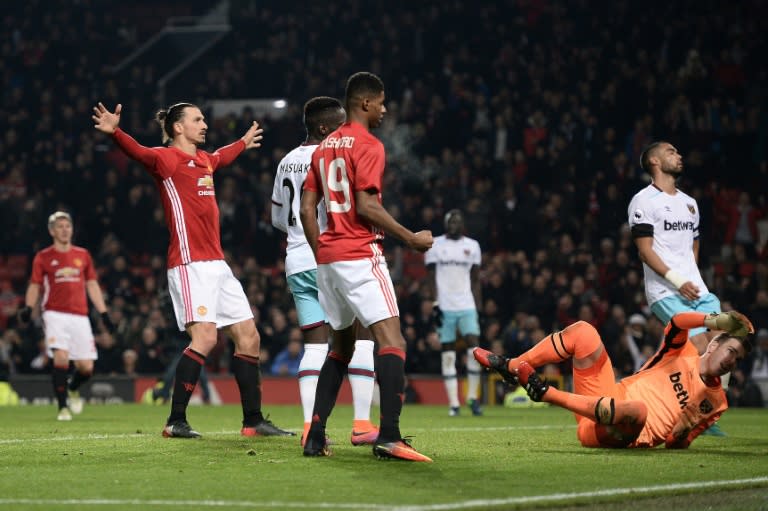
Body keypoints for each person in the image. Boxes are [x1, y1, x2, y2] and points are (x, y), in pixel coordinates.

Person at [92, 101, 292, 438]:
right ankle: (175, 421)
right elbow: (139, 153)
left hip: (217, 264)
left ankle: (253, 421)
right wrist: (115, 133)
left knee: (249, 336)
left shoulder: (204, 161)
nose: (204, 124)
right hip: (189, 264)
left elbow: (222, 156)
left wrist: (243, 142)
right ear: (178, 127)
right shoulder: (166, 159)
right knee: (205, 337)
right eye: (197, 119)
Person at [299, 71, 433, 462]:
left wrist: (323, 249)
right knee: (393, 341)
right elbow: (367, 206)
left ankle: (315, 437)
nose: (385, 109)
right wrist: (411, 239)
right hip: (359, 253)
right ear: (365, 103)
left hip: (327, 260)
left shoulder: (323, 148)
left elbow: (308, 208)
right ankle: (389, 436)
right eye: (382, 102)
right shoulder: (369, 144)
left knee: (339, 349)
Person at [473, 311, 754, 448]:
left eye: (738, 360)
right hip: (601, 398)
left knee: (638, 410)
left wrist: (682, 433)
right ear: (715, 344)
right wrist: (715, 320)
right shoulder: (682, 351)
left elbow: (674, 444)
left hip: (622, 432)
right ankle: (512, 366)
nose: (732, 361)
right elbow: (678, 321)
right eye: (731, 351)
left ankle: (544, 393)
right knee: (583, 332)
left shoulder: (717, 404)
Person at [271, 96, 378, 446]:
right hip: (332, 257)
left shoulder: (286, 161)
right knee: (361, 334)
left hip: (297, 261)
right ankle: (362, 424)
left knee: (315, 346)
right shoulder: (333, 157)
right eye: (339, 125)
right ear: (323, 128)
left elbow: (277, 218)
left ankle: (308, 427)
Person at [628, 141, 727, 435]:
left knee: (725, 341)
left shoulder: (690, 204)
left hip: (696, 289)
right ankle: (697, 415)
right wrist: (677, 280)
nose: (679, 155)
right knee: (698, 347)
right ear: (655, 162)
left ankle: (700, 406)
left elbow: (693, 245)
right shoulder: (643, 201)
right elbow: (644, 251)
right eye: (671, 152)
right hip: (665, 292)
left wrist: (691, 277)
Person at [18, 211, 114, 421]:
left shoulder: (83, 255)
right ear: (52, 231)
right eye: (60, 226)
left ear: (72, 229)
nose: (64, 230)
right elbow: (34, 285)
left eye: (67, 226)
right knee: (60, 356)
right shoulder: (43, 257)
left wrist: (104, 313)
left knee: (86, 367)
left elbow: (92, 284)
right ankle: (62, 407)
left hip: (80, 315)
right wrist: (28, 307)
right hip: (54, 313)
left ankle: (71, 388)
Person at [424, 209, 483, 416]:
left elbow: (476, 280)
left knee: (474, 348)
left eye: (457, 222)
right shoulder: (435, 245)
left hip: (466, 304)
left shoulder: (473, 246)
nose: (453, 225)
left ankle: (473, 398)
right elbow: (430, 277)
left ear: (463, 224)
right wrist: (435, 303)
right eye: (450, 221)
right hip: (445, 306)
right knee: (448, 353)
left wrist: (478, 306)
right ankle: (453, 404)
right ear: (446, 223)